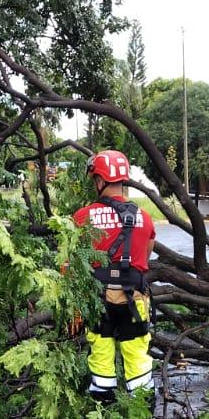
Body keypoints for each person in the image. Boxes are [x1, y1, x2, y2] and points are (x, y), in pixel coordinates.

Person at [72, 149, 157, 403]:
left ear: (99, 181)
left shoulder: (82, 217)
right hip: (134, 299)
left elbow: (74, 264)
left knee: (101, 356)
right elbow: (145, 257)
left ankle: (103, 413)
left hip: (99, 302)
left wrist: (76, 308)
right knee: (138, 358)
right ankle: (141, 413)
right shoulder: (144, 218)